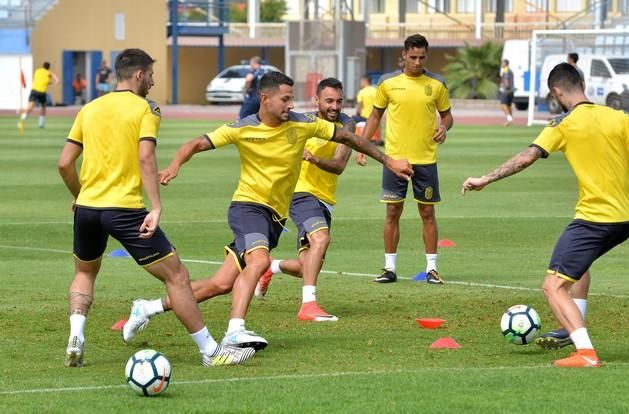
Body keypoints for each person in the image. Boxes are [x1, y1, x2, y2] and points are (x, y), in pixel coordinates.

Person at [121, 71, 412, 350]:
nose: (291, 104)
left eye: (292, 98)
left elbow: (349, 138)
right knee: (258, 262)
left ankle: (147, 307)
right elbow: (196, 143)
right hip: (248, 207)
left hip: (274, 217)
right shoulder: (244, 127)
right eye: (285, 99)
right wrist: (174, 166)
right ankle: (235, 330)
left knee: (222, 284)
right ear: (265, 99)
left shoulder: (303, 124)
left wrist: (389, 161)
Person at [461, 62, 629, 368]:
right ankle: (571, 329)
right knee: (578, 268)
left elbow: (528, 157)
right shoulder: (617, 116)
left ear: (555, 92)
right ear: (582, 82)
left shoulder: (563, 124)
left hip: (595, 219)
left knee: (552, 286)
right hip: (624, 220)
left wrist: (486, 178)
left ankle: (586, 352)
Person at [56, 48, 253, 368]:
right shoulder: (146, 108)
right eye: (150, 74)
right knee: (177, 276)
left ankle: (75, 337)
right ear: (138, 75)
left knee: (84, 272)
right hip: (124, 210)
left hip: (89, 210)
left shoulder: (89, 108)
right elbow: (146, 158)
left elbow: (64, 163)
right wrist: (157, 207)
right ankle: (211, 352)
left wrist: (80, 196)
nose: (153, 80)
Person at [254, 77, 354, 322]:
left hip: (325, 199)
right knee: (321, 238)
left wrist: (314, 158)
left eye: (339, 101)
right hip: (300, 193)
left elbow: (339, 165)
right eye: (329, 100)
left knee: (309, 265)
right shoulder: (301, 122)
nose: (334, 106)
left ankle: (271, 267)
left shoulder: (347, 125)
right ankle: (308, 306)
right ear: (315, 100)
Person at [356, 33, 453, 285]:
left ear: (426, 56)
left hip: (426, 160)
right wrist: (362, 147)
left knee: (427, 213)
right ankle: (389, 268)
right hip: (394, 161)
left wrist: (444, 127)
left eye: (422, 57)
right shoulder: (388, 83)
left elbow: (448, 116)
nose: (417, 62)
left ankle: (432, 269)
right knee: (392, 212)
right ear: (403, 55)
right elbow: (375, 117)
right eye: (413, 57)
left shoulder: (437, 83)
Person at [18, 61, 58, 132]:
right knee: (43, 107)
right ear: (49, 67)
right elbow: (56, 79)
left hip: (34, 91)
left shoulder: (37, 71)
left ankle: (22, 118)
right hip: (41, 93)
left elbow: (41, 80)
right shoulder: (48, 72)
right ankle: (41, 123)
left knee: (30, 108)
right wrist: (55, 82)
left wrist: (49, 82)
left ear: (43, 66)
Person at [498, 59, 515, 127]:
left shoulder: (506, 70)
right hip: (511, 90)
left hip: (507, 90)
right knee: (508, 105)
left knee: (502, 104)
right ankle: (510, 119)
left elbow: (506, 79)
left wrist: (507, 89)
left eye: (502, 63)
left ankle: (509, 118)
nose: (501, 64)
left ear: (506, 64)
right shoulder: (509, 70)